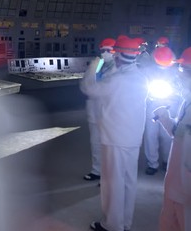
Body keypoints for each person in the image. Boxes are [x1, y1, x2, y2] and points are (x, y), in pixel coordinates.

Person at [81, 36, 149, 231]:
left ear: (118, 55)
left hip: (114, 139)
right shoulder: (141, 77)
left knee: (113, 183)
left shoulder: (116, 80)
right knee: (128, 182)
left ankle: (112, 225)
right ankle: (125, 222)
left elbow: (88, 87)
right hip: (133, 138)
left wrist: (97, 62)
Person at [155, 47, 191, 231]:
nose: (179, 76)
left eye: (183, 70)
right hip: (174, 184)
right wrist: (163, 115)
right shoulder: (187, 100)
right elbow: (179, 134)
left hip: (186, 191)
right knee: (168, 222)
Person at [81, 37, 117, 181]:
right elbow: (86, 85)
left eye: (109, 50)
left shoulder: (118, 67)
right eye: (103, 50)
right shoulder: (97, 64)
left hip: (110, 112)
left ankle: (109, 176)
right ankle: (97, 171)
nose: (106, 53)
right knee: (95, 143)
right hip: (94, 111)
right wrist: (92, 70)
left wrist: (94, 89)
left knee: (110, 145)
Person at [143, 46, 179, 175]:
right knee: (150, 135)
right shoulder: (147, 71)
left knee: (168, 135)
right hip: (152, 104)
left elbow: (181, 88)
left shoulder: (176, 71)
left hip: (170, 104)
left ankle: (167, 161)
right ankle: (152, 163)